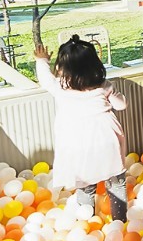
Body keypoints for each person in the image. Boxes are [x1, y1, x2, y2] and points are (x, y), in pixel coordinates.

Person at [34, 37, 128, 221]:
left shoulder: (60, 87)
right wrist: (115, 95)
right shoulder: (103, 85)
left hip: (78, 143)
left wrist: (41, 60)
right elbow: (122, 105)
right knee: (116, 183)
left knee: (85, 185)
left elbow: (45, 78)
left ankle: (87, 221)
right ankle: (120, 222)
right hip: (106, 139)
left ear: (63, 68)